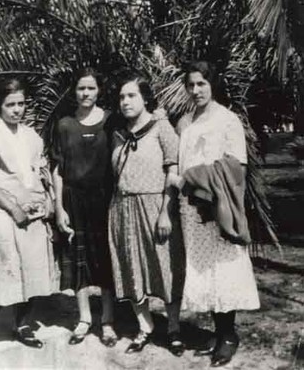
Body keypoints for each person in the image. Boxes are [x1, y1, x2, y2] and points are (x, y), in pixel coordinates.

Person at [173, 61, 260, 367]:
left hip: (216, 206)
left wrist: (195, 178)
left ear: (212, 85)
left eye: (202, 84)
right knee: (204, 270)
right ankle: (218, 331)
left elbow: (238, 168)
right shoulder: (185, 123)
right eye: (191, 85)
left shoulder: (227, 120)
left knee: (222, 269)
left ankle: (228, 335)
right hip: (190, 208)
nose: (196, 90)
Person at [0, 78, 57, 352]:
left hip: (33, 212)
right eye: (10, 105)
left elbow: (41, 171)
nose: (17, 110)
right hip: (2, 211)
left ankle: (22, 324)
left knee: (31, 269)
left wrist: (50, 200)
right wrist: (13, 207)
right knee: (4, 269)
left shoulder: (32, 136)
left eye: (21, 104)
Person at [109, 74, 184, 355]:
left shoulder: (161, 127)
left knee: (165, 267)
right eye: (121, 97)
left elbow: (172, 170)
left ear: (145, 99)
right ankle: (145, 327)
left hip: (155, 208)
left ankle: (174, 328)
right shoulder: (117, 133)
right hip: (122, 208)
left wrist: (165, 212)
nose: (125, 101)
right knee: (131, 269)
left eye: (131, 96)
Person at [52, 68, 117, 347]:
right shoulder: (64, 124)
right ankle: (84, 319)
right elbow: (57, 169)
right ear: (74, 91)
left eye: (91, 88)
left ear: (98, 90)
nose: (86, 93)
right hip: (72, 199)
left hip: (104, 200)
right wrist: (58, 207)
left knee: (104, 260)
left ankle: (108, 321)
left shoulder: (111, 121)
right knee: (77, 261)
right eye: (81, 88)